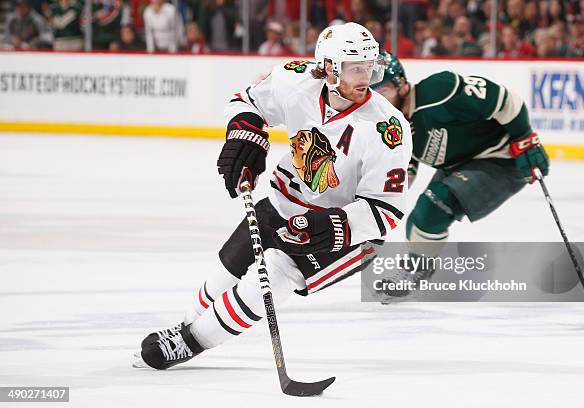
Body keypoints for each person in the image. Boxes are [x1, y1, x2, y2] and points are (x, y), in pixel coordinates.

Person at [135, 22, 411, 370]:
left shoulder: (387, 129)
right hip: (282, 203)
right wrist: (245, 137)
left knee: (273, 275)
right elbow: (247, 101)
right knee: (224, 272)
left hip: (346, 236)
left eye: (369, 67)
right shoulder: (296, 81)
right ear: (328, 67)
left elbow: (385, 210)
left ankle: (192, 341)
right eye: (355, 68)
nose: (365, 76)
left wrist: (332, 225)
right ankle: (187, 326)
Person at [370, 51, 549, 301]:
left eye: (381, 91)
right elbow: (405, 169)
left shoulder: (438, 90)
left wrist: (525, 139)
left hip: (502, 158)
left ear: (401, 84)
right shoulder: (393, 124)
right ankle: (418, 268)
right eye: (370, 94)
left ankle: (418, 269)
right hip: (461, 163)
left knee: (433, 206)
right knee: (420, 221)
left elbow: (505, 100)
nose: (376, 101)